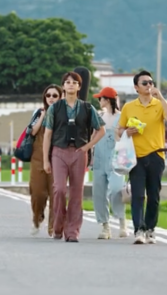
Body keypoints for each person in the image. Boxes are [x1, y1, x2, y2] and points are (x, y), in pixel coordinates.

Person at [41, 71, 105, 243]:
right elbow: (47, 134)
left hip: (78, 152)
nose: (70, 84)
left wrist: (87, 147)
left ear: (79, 87)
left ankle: (72, 231)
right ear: (63, 86)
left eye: (74, 82)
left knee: (77, 192)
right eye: (67, 82)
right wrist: (46, 160)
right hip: (59, 151)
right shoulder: (55, 108)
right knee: (59, 189)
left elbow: (101, 130)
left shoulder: (87, 108)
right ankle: (58, 226)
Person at [117, 70, 167, 245]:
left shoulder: (159, 105)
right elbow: (119, 130)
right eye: (144, 83)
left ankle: (150, 228)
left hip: (156, 155)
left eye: (151, 82)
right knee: (137, 195)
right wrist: (127, 132)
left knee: (154, 195)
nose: (149, 85)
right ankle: (139, 229)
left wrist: (161, 97)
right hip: (135, 157)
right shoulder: (129, 107)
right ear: (136, 87)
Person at [91, 86, 126, 239]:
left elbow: (125, 138)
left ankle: (122, 222)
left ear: (108, 100)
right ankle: (105, 227)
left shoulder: (122, 117)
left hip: (116, 159)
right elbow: (93, 136)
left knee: (116, 190)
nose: (99, 101)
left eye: (101, 98)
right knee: (98, 193)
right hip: (99, 158)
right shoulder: (99, 116)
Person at [26, 84, 62, 236]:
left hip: (57, 158)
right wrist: (43, 115)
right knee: (37, 193)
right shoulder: (38, 112)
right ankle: (37, 218)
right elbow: (33, 131)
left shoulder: (63, 113)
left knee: (56, 194)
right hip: (38, 158)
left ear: (60, 98)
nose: (51, 98)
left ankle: (53, 226)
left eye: (55, 95)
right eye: (48, 95)